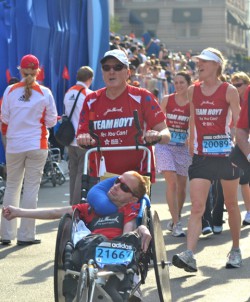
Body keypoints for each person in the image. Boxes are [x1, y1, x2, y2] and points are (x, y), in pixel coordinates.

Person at [3, 171, 152, 302]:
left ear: (133, 198)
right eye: (117, 181)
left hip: (116, 251)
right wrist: (18, 212)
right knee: (94, 240)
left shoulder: (130, 208)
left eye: (124, 187)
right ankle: (75, 286)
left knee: (120, 241)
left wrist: (142, 228)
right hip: (90, 249)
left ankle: (116, 283)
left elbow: (128, 233)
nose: (116, 186)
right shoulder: (88, 209)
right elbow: (54, 212)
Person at [172, 47, 242, 272]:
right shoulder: (194, 90)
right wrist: (192, 145)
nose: (198, 65)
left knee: (231, 205)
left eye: (204, 62)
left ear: (216, 66)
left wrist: (239, 153)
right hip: (202, 157)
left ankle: (235, 249)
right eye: (198, 61)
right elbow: (193, 118)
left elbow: (239, 124)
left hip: (225, 157)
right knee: (197, 208)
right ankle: (190, 254)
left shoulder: (229, 90)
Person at [76, 49, 171, 184]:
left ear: (128, 73)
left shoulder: (143, 97)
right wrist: (83, 138)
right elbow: (80, 138)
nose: (112, 71)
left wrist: (157, 135)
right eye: (106, 67)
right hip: (100, 176)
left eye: (118, 67)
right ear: (102, 72)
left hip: (138, 176)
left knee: (136, 205)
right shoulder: (91, 100)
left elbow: (166, 133)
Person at [0, 54, 58, 246]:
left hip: (14, 145)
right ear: (38, 71)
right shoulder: (45, 92)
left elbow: (5, 119)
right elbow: (51, 121)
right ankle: (26, 235)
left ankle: (6, 234)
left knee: (12, 187)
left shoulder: (9, 91)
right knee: (31, 189)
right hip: (36, 144)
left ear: (20, 70)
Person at [155, 71, 192, 237]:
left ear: (188, 84)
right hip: (165, 146)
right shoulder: (167, 99)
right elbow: (157, 120)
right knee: (172, 183)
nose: (178, 85)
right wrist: (158, 133)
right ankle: (177, 223)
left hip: (183, 148)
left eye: (181, 82)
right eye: (176, 82)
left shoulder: (192, 103)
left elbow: (195, 123)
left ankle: (175, 216)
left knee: (182, 187)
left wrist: (190, 136)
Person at [64, 66, 94, 204]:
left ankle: (72, 203)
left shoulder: (68, 92)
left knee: (73, 172)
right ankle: (76, 206)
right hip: (83, 139)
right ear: (90, 79)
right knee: (81, 174)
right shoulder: (88, 94)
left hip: (70, 139)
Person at [231, 71, 250, 226]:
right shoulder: (233, 100)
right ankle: (249, 211)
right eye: (234, 85)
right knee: (244, 181)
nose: (236, 88)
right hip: (242, 146)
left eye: (239, 85)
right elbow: (238, 127)